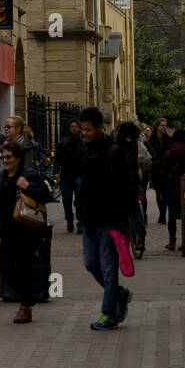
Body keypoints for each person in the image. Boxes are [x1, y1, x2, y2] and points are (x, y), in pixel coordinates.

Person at [0, 139, 54, 323]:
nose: (5, 160)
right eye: (3, 157)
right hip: (6, 229)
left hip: (26, 229)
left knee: (24, 267)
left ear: (18, 158)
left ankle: (25, 306)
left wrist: (27, 187)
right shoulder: (0, 177)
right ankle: (28, 297)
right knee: (4, 268)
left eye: (8, 157)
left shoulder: (28, 175)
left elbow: (47, 196)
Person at [77, 106, 133, 331]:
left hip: (109, 219)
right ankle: (119, 293)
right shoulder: (85, 150)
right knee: (90, 263)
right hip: (89, 218)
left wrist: (123, 222)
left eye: (89, 129)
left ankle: (108, 314)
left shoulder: (113, 151)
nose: (85, 133)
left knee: (109, 268)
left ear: (100, 128)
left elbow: (124, 188)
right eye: (83, 129)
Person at [55, 118, 84, 232]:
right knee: (66, 201)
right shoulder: (63, 143)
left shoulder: (83, 143)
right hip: (66, 176)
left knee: (79, 201)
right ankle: (69, 218)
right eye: (72, 127)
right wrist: (56, 171)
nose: (74, 128)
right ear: (69, 128)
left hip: (79, 175)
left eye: (76, 126)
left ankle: (80, 223)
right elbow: (57, 159)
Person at [147, 117, 171, 225]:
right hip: (156, 168)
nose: (164, 127)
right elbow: (149, 154)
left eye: (165, 125)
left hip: (166, 168)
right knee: (158, 191)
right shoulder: (151, 139)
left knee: (165, 191)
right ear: (157, 126)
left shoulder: (169, 139)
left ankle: (163, 214)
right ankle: (161, 212)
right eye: (162, 125)